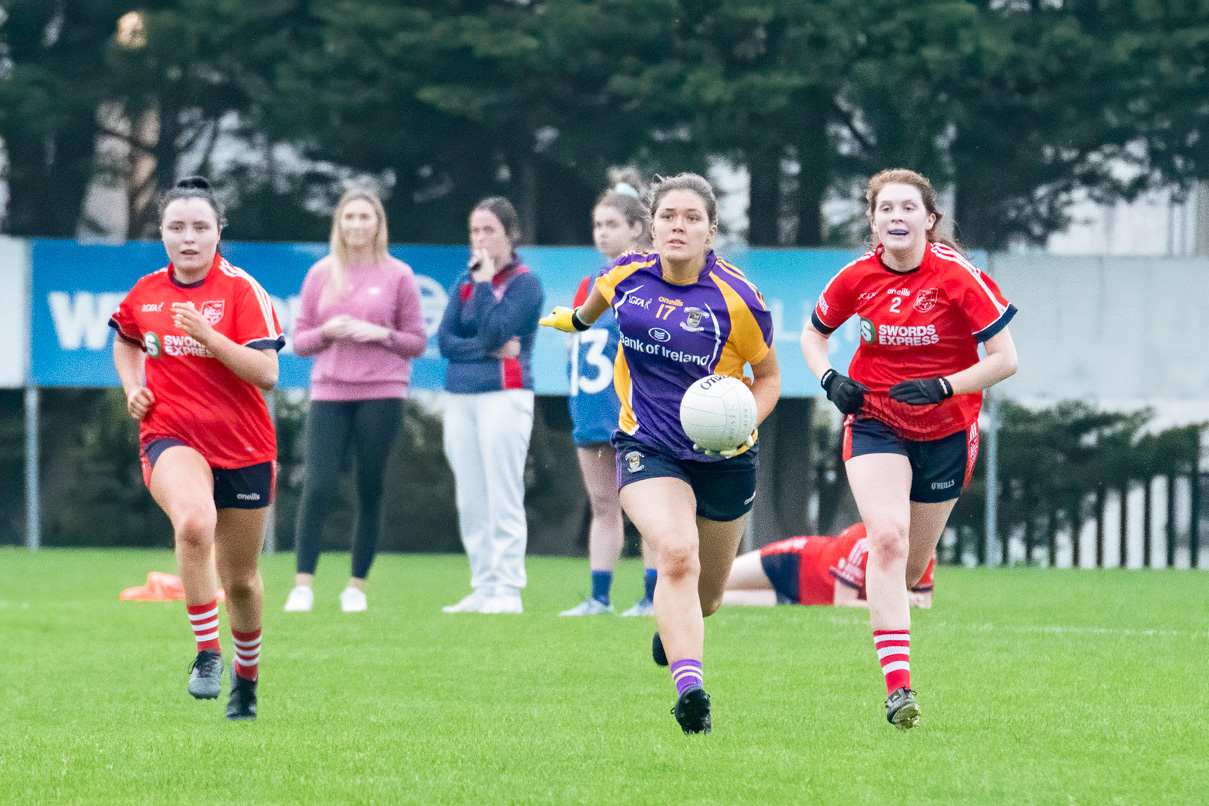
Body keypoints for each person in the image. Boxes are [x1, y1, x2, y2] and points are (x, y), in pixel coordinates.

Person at [541, 172, 781, 735]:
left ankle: (672, 629)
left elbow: (768, 377)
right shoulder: (625, 275)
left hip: (724, 455)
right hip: (648, 445)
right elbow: (591, 309)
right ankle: (690, 689)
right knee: (675, 551)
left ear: (710, 230)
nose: (679, 226)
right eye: (668, 216)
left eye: (691, 217)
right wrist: (571, 323)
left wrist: (745, 418)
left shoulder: (737, 297)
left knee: (710, 596)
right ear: (651, 226)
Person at [800, 168, 1018, 731]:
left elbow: (1005, 359)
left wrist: (947, 385)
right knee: (888, 540)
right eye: (886, 209)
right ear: (872, 222)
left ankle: (897, 611)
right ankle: (898, 690)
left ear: (929, 220)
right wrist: (829, 379)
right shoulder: (856, 277)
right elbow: (812, 334)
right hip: (875, 422)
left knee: (912, 565)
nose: (896, 217)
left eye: (907, 208)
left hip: (947, 431)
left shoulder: (957, 276)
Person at [109, 176, 284, 721]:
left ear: (217, 233)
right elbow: (125, 339)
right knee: (192, 522)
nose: (188, 238)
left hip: (244, 445)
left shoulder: (241, 291)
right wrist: (133, 387)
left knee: (241, 581)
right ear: (161, 232)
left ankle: (246, 682)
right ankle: (208, 654)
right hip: (171, 434)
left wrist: (210, 338)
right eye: (176, 227)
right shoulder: (146, 292)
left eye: (200, 227)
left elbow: (268, 373)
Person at [283, 188, 427, 614]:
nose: (357, 225)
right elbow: (300, 340)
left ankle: (355, 587)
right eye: (350, 217)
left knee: (370, 486)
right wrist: (329, 331)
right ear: (339, 224)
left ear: (378, 224)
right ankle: (303, 585)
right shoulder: (320, 274)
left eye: (365, 217)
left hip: (382, 390)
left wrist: (380, 334)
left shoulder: (399, 275)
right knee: (319, 484)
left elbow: (417, 342)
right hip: (329, 390)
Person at [438, 197, 544, 615]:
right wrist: (484, 349)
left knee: (503, 492)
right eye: (474, 231)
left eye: (489, 231)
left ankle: (507, 588)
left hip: (506, 395)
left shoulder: (524, 282)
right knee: (470, 496)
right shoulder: (462, 281)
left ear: (509, 235)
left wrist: (485, 287)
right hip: (461, 396)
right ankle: (482, 585)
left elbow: (499, 327)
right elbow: (446, 341)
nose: (480, 239)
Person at [559, 173, 659, 618]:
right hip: (590, 409)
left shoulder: (647, 279)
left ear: (637, 228)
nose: (603, 233)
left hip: (632, 413)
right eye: (598, 225)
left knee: (646, 509)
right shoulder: (589, 284)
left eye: (612, 224)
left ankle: (652, 597)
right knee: (602, 504)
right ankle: (599, 598)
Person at [721, 523, 934, 608]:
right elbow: (843, 602)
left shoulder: (925, 553)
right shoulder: (863, 540)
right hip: (791, 561)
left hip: (803, 599)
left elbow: (923, 604)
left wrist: (908, 602)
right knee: (712, 582)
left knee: (721, 601)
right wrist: (896, 603)